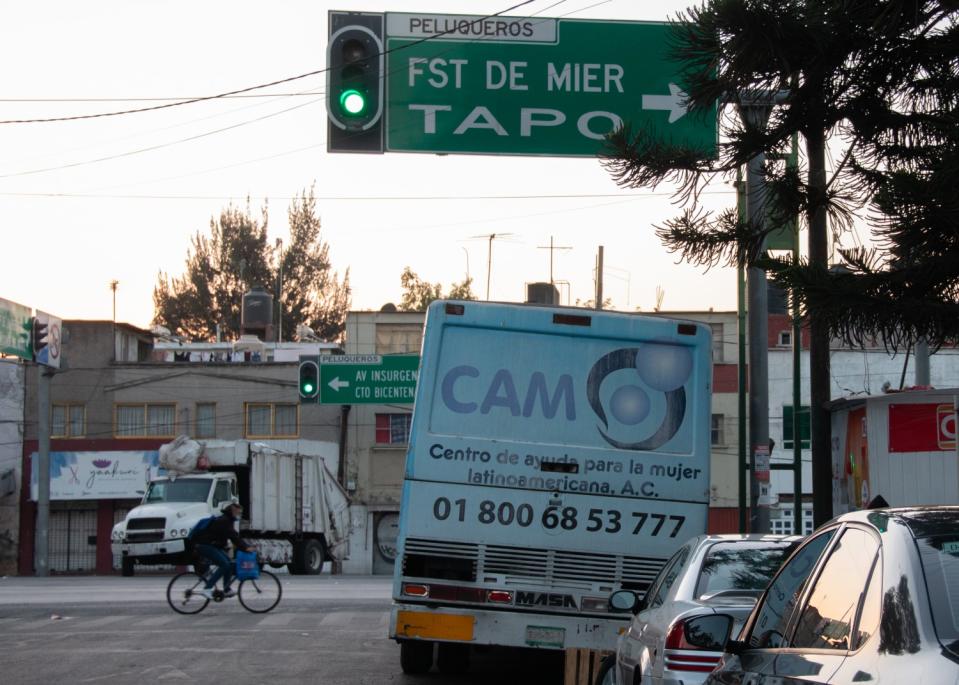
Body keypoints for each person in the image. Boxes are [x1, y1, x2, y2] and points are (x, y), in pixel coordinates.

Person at [191, 499, 253, 599]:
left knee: (229, 562)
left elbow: (231, 536)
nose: (239, 514)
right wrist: (246, 548)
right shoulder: (224, 521)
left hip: (211, 545)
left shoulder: (227, 521)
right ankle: (207, 588)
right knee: (224, 565)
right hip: (204, 545)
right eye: (238, 512)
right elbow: (234, 537)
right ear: (232, 511)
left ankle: (226, 588)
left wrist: (243, 546)